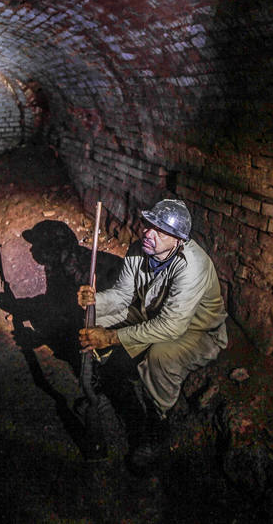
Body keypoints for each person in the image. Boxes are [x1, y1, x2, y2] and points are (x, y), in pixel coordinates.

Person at [77, 199, 228, 472]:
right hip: (152, 314)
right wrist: (95, 301)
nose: (149, 234)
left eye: (161, 231)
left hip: (196, 330)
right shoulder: (139, 249)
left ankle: (158, 424)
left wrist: (111, 338)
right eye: (149, 225)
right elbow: (123, 295)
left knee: (160, 356)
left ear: (179, 240)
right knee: (94, 320)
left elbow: (171, 327)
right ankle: (108, 375)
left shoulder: (192, 266)